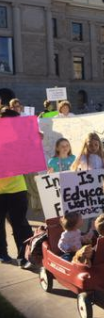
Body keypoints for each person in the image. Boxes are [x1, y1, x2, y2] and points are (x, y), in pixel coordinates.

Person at [0, 108, 34, 267]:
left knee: (20, 223)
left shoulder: (21, 137)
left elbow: (29, 160)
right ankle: (2, 253)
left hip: (18, 188)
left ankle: (25, 256)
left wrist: (35, 141)